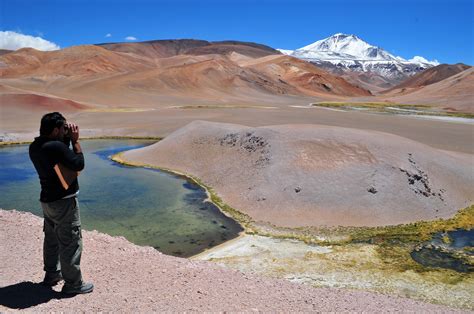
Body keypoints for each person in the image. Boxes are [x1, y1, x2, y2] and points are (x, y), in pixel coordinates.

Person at [29, 112, 93, 294]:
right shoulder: (56, 147)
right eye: (63, 128)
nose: (67, 130)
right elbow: (78, 164)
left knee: (51, 239)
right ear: (56, 129)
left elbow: (59, 154)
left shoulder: (36, 146)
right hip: (64, 202)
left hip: (47, 201)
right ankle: (73, 284)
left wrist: (64, 138)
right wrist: (75, 141)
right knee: (70, 241)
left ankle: (52, 274)